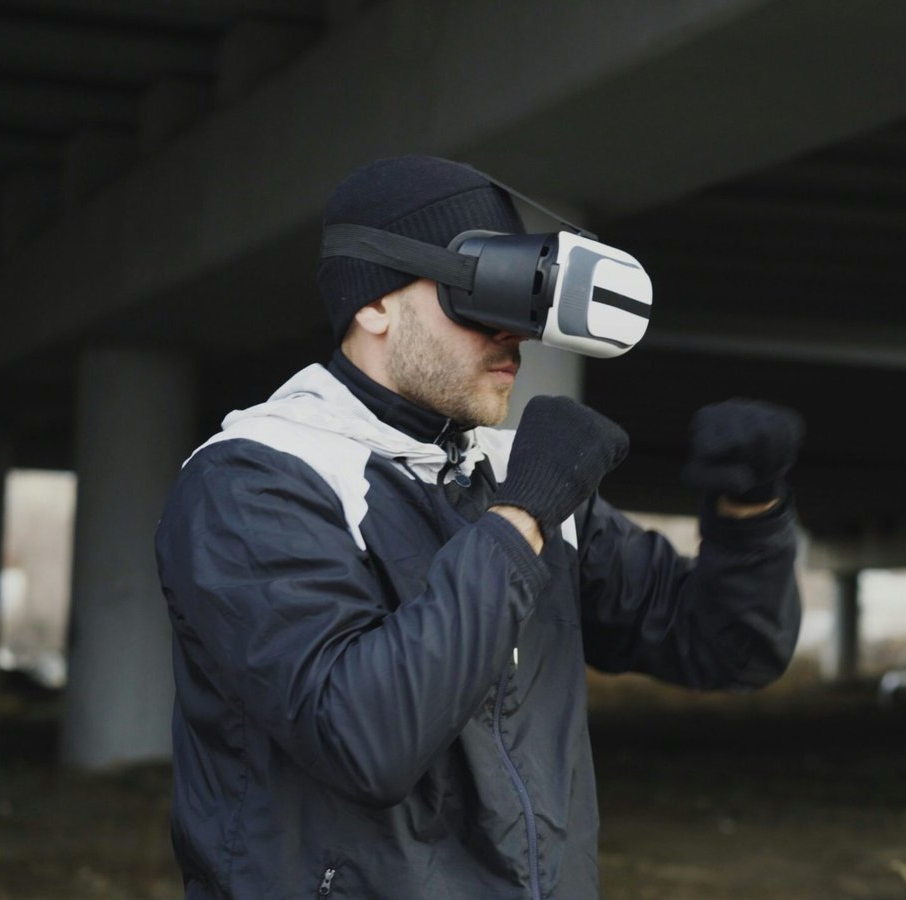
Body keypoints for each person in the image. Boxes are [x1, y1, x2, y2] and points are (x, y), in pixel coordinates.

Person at [153, 155, 803, 899]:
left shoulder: (500, 473)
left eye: (527, 302)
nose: (513, 335)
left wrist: (750, 512)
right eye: (481, 292)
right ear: (373, 305)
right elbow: (364, 736)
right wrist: (521, 516)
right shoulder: (255, 479)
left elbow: (728, 646)